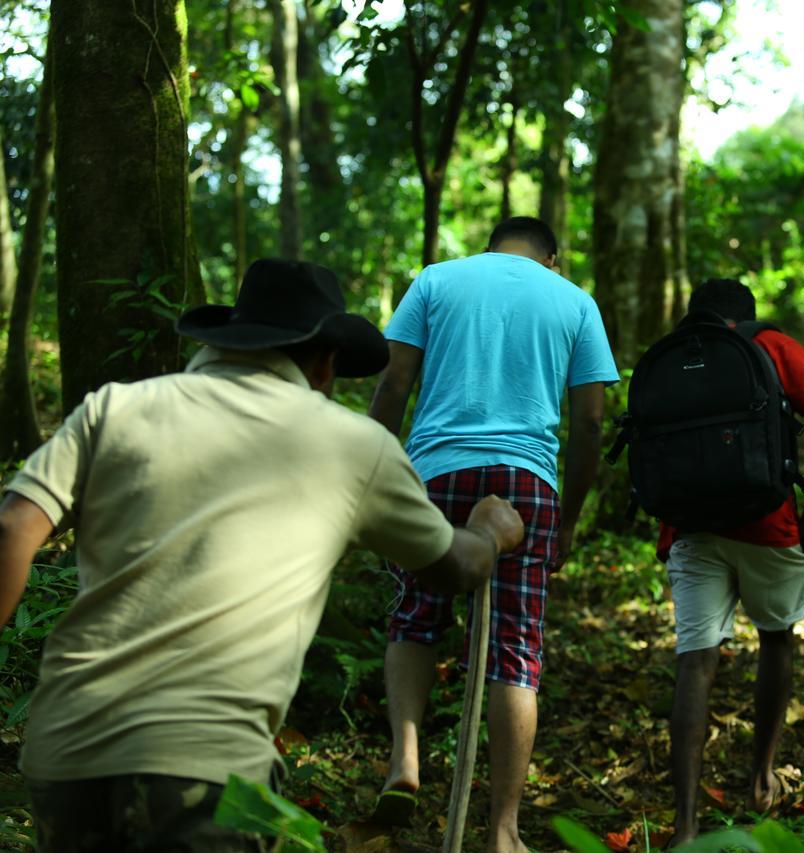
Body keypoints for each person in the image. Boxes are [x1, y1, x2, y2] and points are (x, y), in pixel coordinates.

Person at [0, 259, 525, 851]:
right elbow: (452, 568)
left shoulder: (115, 408)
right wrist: (490, 531)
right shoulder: (353, 444)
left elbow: (16, 523)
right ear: (324, 361)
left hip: (64, 755)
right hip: (205, 769)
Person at [367, 216, 618, 851]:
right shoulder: (574, 300)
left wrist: (373, 473)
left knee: (415, 617)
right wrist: (569, 517)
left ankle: (405, 760)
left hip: (436, 472)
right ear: (552, 259)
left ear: (490, 249)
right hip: (527, 481)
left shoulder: (437, 279)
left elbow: (394, 381)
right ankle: (503, 830)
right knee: (516, 647)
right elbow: (589, 425)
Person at [658, 279, 804, 847]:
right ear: (748, 315)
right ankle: (761, 775)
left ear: (697, 315)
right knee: (776, 638)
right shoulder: (776, 347)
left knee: (695, 662)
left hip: (690, 526)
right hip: (769, 523)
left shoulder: (674, 357)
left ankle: (685, 827)